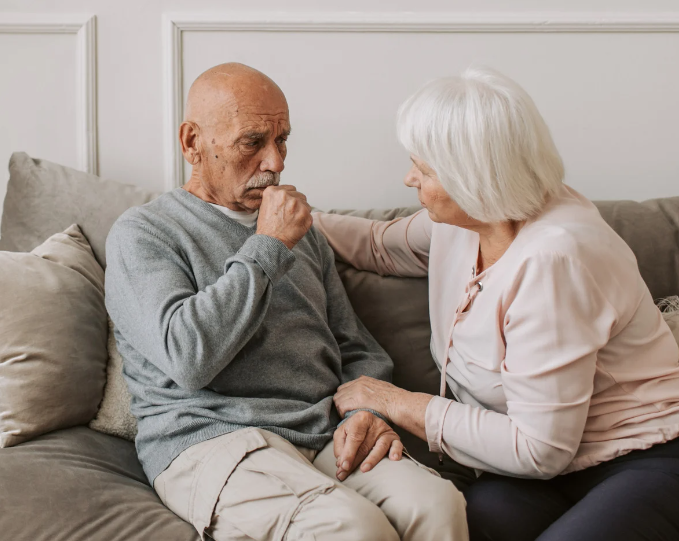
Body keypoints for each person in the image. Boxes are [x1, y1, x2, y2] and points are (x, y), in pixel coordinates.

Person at [312, 67, 679, 541]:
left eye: (425, 169)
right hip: (542, 479)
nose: (409, 177)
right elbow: (377, 245)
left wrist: (391, 400)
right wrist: (278, 218)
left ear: (470, 177)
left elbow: (539, 449)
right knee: (446, 531)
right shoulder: (463, 223)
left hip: (656, 463)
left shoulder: (555, 257)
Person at [104, 62, 466, 541]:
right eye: (253, 142)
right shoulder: (144, 232)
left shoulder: (302, 231)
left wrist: (365, 412)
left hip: (320, 430)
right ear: (192, 142)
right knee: (351, 527)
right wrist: (269, 245)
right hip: (212, 440)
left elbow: (354, 346)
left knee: (438, 504)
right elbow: (188, 358)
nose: (275, 162)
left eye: (283, 140)